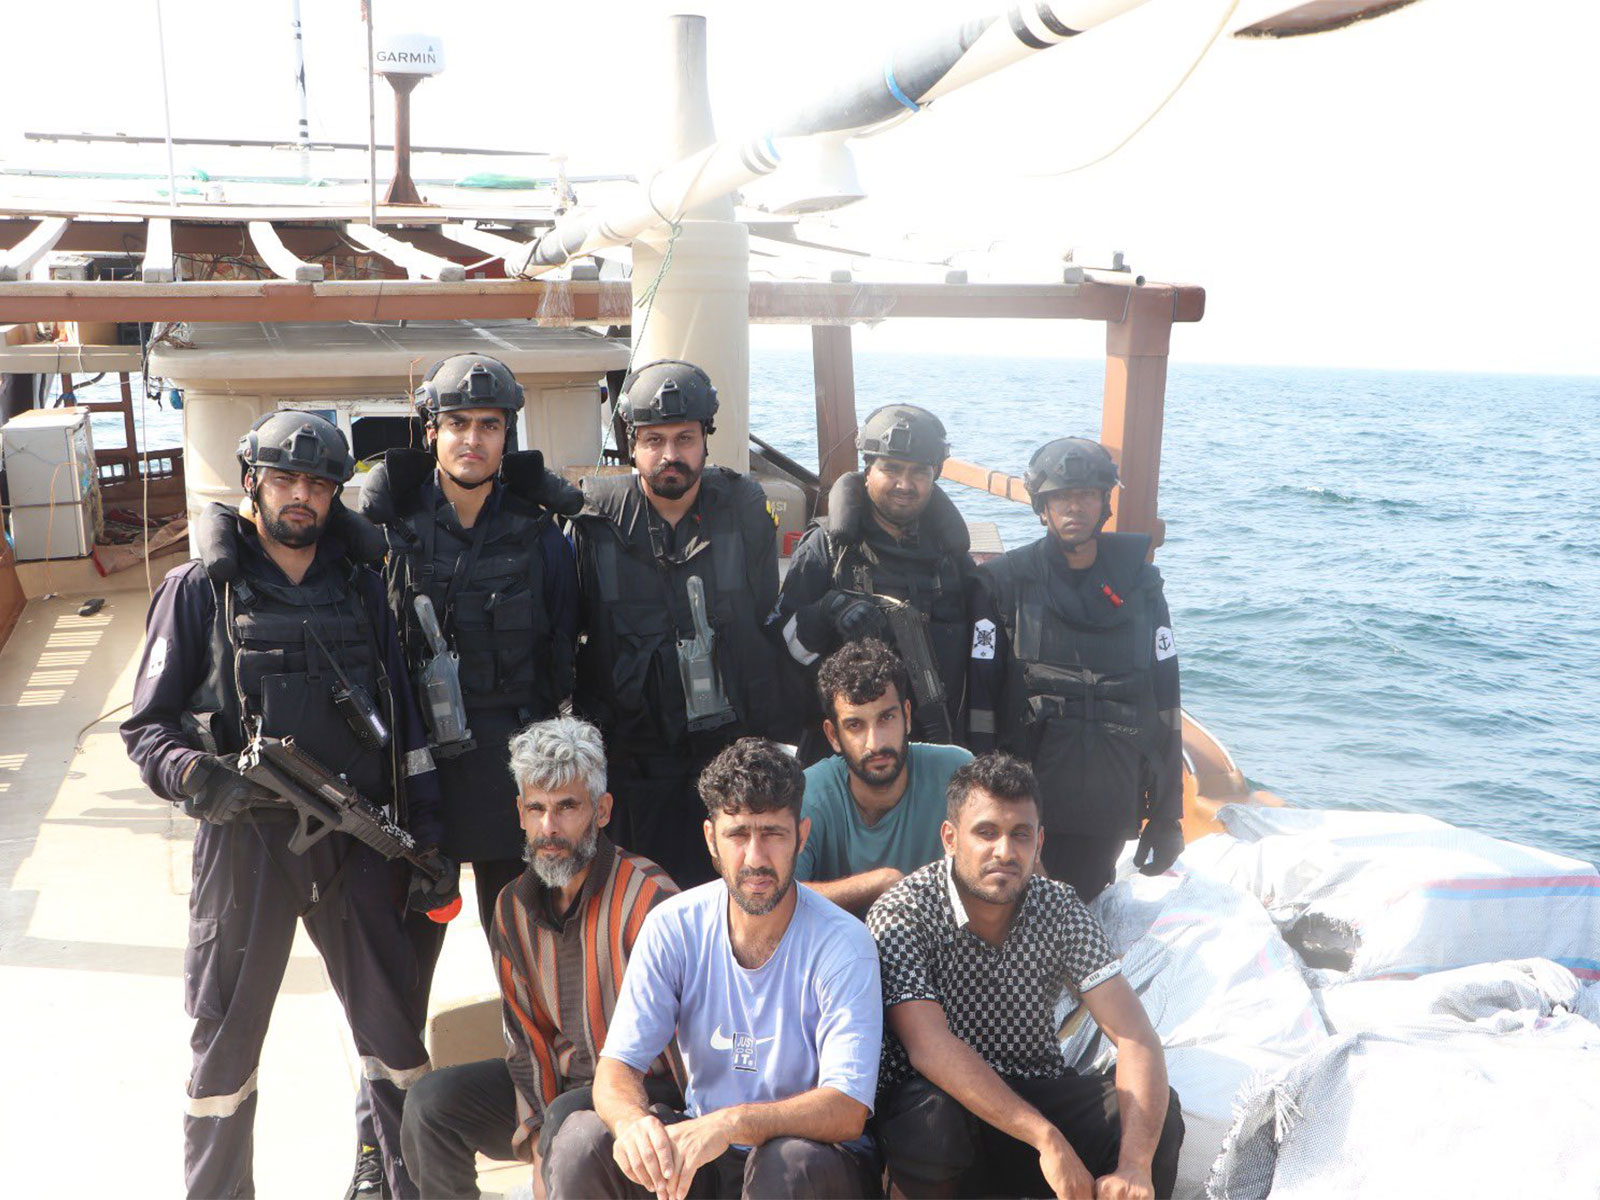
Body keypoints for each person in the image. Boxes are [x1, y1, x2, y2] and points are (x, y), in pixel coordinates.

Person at [121, 411, 456, 1200]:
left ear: (336, 494)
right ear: (252, 485)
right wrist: (197, 777)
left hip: (356, 843)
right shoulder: (200, 590)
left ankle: (406, 1187)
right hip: (246, 848)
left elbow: (407, 724)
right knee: (224, 1053)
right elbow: (146, 726)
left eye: (318, 483)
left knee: (394, 1040)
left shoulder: (366, 590)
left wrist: (429, 844)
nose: (300, 496)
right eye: (284, 480)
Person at [544, 737, 884, 1200]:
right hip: (705, 1152)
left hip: (814, 1163)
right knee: (584, 1142)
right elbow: (615, 1072)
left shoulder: (844, 943)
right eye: (738, 835)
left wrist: (732, 1123)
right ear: (711, 840)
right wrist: (633, 1124)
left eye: (773, 834)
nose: (755, 858)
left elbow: (847, 1108)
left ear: (802, 836)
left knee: (785, 1160)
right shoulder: (673, 926)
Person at [867, 753, 1185, 1199]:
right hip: (942, 1110)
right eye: (986, 832)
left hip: (1034, 1092)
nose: (1004, 851)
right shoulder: (904, 911)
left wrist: (1134, 1167)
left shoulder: (1058, 907)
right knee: (931, 1121)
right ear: (950, 838)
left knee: (1154, 1115)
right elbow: (929, 1048)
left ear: (1039, 842)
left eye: (1020, 835)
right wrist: (1045, 1137)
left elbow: (1135, 1038)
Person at [399, 717, 683, 1200]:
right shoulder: (511, 907)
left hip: (648, 1096)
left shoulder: (649, 899)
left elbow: (687, 1053)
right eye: (537, 808)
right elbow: (528, 1043)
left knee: (564, 1114)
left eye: (567, 807)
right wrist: (535, 1144)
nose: (549, 828)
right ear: (520, 812)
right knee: (430, 1103)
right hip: (559, 1094)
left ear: (602, 809)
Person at [360, 352, 582, 934]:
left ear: (508, 435)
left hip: (508, 763)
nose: (472, 439)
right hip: (413, 763)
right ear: (431, 432)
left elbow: (563, 655)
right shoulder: (388, 534)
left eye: (489, 425)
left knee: (521, 944)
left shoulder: (540, 537)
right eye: (458, 423)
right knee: (405, 956)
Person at [570, 359, 784, 887]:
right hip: (633, 770)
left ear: (706, 440)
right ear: (631, 444)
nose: (670, 455)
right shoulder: (594, 521)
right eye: (653, 440)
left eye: (685, 438)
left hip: (726, 765)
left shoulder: (743, 511)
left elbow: (767, 627)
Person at [967, 437, 1185, 900]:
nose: (1074, 507)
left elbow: (1166, 701)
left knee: (1081, 911)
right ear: (1041, 507)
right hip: (1022, 801)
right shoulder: (1004, 584)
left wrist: (1168, 814)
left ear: (1105, 503)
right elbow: (980, 705)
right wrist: (980, 806)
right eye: (1061, 496)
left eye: (1086, 495)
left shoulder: (1142, 587)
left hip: (1107, 798)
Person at [771, 403, 974, 763]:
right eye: (891, 469)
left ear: (935, 476)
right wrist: (827, 611)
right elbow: (781, 652)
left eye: (918, 472)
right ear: (867, 472)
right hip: (842, 752)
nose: (904, 484)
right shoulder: (828, 549)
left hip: (932, 747)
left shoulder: (953, 559)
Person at [798, 639, 972, 915]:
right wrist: (880, 883)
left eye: (886, 719)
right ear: (833, 735)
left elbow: (1014, 865)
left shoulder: (957, 773)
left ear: (906, 716)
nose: (875, 744)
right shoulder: (808, 794)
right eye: (855, 725)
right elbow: (777, 898)